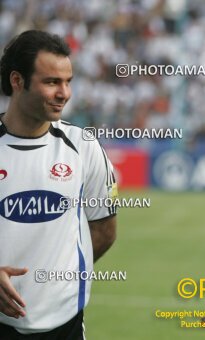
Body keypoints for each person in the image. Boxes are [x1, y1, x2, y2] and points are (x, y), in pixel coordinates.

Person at [0, 30, 117, 338]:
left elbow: (104, 230)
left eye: (68, 82)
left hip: (65, 324)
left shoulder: (85, 146)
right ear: (17, 80)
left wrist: (60, 279)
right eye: (51, 82)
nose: (64, 93)